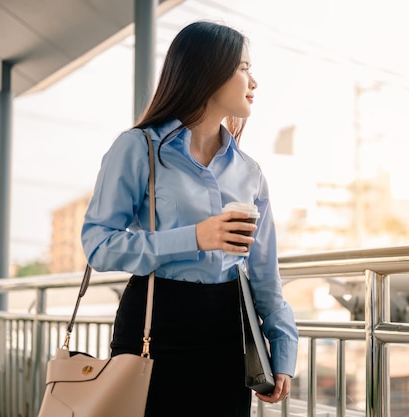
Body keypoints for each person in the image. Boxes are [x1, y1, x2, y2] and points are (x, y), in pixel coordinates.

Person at [81, 21, 298, 417]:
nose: (253, 81)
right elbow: (98, 245)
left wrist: (282, 348)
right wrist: (194, 237)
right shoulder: (138, 148)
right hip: (153, 323)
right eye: (244, 67)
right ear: (208, 71)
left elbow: (265, 273)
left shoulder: (249, 171)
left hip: (229, 330)